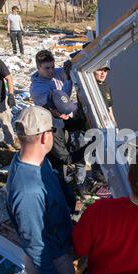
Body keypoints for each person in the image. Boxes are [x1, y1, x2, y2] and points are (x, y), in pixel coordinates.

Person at [6, 106, 75, 274]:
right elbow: (34, 242)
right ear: (45, 137)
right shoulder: (28, 191)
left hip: (58, 241)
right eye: (53, 130)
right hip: (53, 259)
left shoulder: (35, 160)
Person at [30, 50, 89, 194]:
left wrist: (73, 63)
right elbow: (62, 102)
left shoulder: (55, 72)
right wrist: (68, 80)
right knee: (60, 158)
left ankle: (76, 179)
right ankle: (61, 186)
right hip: (53, 125)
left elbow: (66, 71)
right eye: (46, 68)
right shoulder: (38, 89)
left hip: (63, 118)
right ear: (38, 67)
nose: (51, 71)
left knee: (74, 144)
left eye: (52, 66)